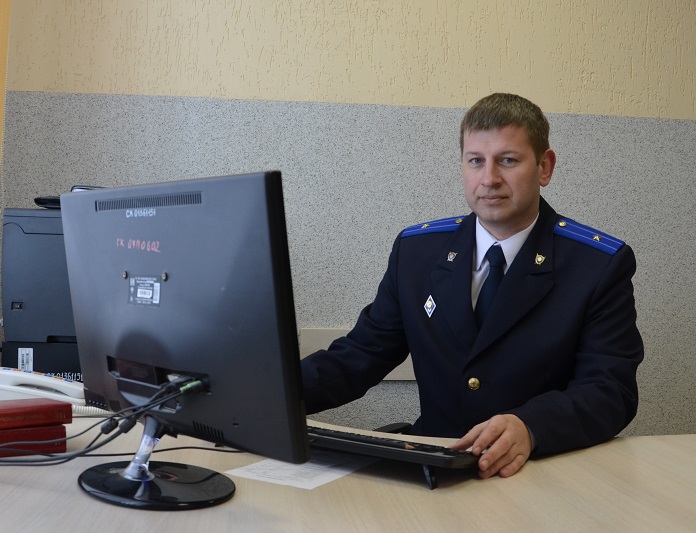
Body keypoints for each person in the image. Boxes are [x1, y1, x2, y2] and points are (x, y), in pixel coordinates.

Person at [301, 93, 643, 479]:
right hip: (435, 467)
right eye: (476, 161)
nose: (489, 179)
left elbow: (610, 390)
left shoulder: (597, 264)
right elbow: (360, 356)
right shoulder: (417, 253)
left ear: (544, 167)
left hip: (535, 471)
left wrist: (531, 426)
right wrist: (267, 396)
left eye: (508, 160)